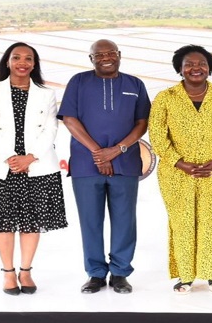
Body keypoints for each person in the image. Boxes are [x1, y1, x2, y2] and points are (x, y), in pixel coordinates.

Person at [0, 42, 67, 295]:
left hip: (37, 165)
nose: (22, 62)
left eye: (28, 59)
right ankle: (8, 273)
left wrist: (29, 158)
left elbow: (51, 129)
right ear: (7, 61)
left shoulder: (47, 93)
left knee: (31, 223)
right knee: (3, 223)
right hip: (0, 167)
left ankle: (26, 271)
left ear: (35, 64)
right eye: (17, 57)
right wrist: (11, 158)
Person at [149, 45, 212, 294]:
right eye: (189, 64)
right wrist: (180, 163)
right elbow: (158, 136)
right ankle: (185, 275)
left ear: (210, 68)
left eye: (202, 63)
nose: (196, 68)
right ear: (180, 69)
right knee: (182, 222)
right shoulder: (165, 97)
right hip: (177, 174)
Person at [57, 39, 151, 294]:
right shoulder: (78, 81)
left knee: (124, 220)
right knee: (90, 220)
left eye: (111, 53)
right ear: (91, 59)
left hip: (125, 162)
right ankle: (96, 273)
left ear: (120, 55)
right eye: (99, 54)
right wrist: (99, 153)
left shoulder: (135, 84)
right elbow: (69, 118)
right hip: (86, 164)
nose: (106, 57)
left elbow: (142, 123)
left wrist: (117, 150)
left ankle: (120, 273)